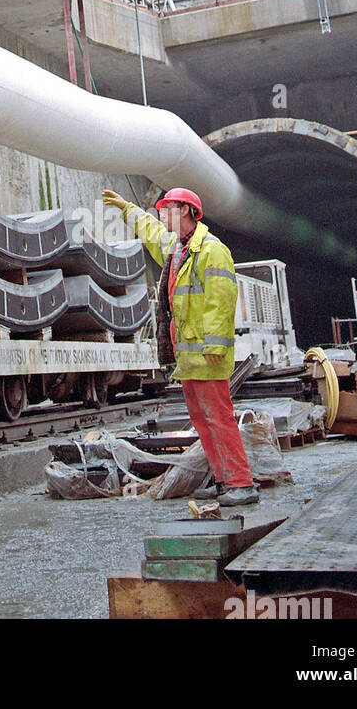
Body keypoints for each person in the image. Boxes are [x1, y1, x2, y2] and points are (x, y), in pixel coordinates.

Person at [102, 186, 258, 506]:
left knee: (219, 419)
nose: (162, 215)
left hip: (207, 356)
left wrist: (213, 348)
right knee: (204, 423)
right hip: (188, 358)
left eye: (167, 209)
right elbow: (151, 232)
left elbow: (222, 301)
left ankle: (241, 483)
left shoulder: (212, 251)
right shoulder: (178, 249)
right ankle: (222, 481)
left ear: (185, 210)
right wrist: (128, 210)